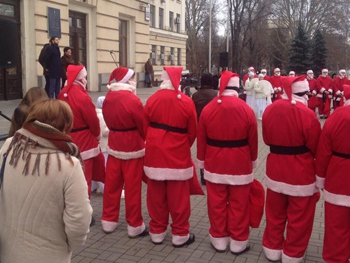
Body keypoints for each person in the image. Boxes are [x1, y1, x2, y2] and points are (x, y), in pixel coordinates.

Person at [0, 99, 92, 263]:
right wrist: (68, 246)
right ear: (65, 126)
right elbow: (79, 220)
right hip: (50, 254)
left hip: (8, 251)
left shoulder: (10, 146)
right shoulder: (69, 165)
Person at [197, 70, 258, 254]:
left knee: (216, 202)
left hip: (214, 162)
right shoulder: (246, 109)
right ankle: (238, 241)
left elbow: (201, 138)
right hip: (240, 162)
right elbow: (253, 139)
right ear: (237, 87)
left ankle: (219, 239)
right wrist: (253, 160)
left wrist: (201, 160)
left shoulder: (209, 108)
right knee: (239, 203)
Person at [262, 76, 321, 262]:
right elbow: (315, 144)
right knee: (299, 217)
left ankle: (272, 248)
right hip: (300, 172)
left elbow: (265, 138)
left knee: (274, 214)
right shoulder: (308, 114)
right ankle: (292, 254)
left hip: (275, 168)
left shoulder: (270, 109)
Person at [143, 66, 197, 247]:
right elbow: (192, 132)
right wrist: (182, 146)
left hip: (155, 154)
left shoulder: (152, 99)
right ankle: (180, 233)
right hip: (178, 156)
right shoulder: (187, 102)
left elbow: (145, 126)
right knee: (179, 198)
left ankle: (157, 231)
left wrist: (153, 142)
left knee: (155, 196)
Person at [101, 67, 148, 238]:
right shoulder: (132, 99)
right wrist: (145, 138)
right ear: (128, 80)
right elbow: (142, 124)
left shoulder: (108, 97)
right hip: (132, 146)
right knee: (132, 187)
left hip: (114, 143)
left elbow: (106, 118)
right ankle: (134, 224)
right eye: (133, 78)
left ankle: (108, 220)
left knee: (112, 185)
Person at [58, 65, 104, 226]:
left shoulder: (62, 95)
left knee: (66, 180)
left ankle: (67, 211)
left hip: (66, 139)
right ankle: (84, 215)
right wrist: (97, 135)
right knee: (85, 180)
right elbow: (92, 120)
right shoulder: (82, 97)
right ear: (81, 78)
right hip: (84, 141)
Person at [315, 84, 350, 263]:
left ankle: (336, 258)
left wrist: (320, 179)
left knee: (337, 225)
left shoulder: (337, 117)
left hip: (338, 176)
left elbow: (324, 151)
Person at [191, 73, 218, 185]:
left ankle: (203, 175)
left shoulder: (195, 95)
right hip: (214, 126)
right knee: (212, 150)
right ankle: (212, 172)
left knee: (201, 150)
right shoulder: (216, 94)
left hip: (199, 125)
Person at [91, 96, 109, 195]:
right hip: (104, 145)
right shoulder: (102, 116)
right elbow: (105, 132)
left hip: (97, 144)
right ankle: (103, 188)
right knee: (103, 167)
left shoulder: (94, 115)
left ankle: (93, 187)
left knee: (95, 167)